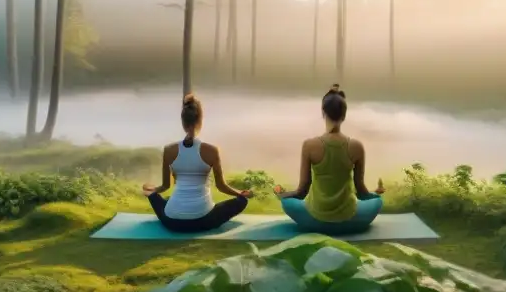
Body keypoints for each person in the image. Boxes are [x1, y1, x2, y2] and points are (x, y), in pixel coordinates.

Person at [274, 84, 385, 235]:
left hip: (315, 219)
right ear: (344, 115)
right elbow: (361, 192)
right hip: (350, 220)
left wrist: (282, 195)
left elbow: (302, 191)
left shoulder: (309, 145)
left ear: (323, 112)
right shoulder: (356, 146)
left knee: (287, 202)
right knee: (377, 201)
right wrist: (375, 194)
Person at [142, 94, 252, 233]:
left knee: (154, 195)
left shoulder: (169, 150)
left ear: (182, 122)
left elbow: (165, 186)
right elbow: (221, 186)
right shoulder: (211, 150)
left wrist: (152, 191)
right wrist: (241, 193)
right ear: (201, 121)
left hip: (171, 222)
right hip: (203, 220)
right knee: (242, 201)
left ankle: (164, 200)